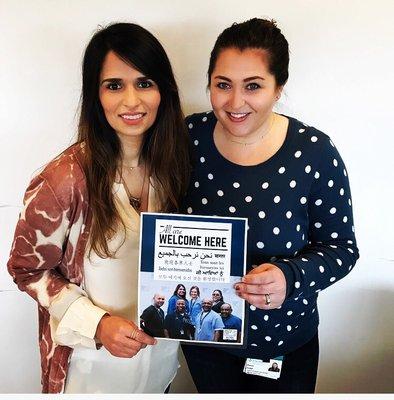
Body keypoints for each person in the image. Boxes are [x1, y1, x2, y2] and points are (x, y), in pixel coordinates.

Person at [7, 22, 190, 394]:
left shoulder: (176, 167)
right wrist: (98, 324)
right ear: (96, 94)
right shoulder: (64, 179)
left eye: (144, 83)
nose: (131, 101)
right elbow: (26, 269)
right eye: (114, 85)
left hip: (160, 366)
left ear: (163, 91)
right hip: (89, 372)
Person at [181, 18, 359, 393]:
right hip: (205, 341)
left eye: (254, 86)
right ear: (209, 83)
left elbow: (342, 250)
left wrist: (290, 276)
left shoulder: (313, 152)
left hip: (284, 345)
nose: (235, 102)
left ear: (279, 88)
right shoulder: (187, 139)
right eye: (222, 85)